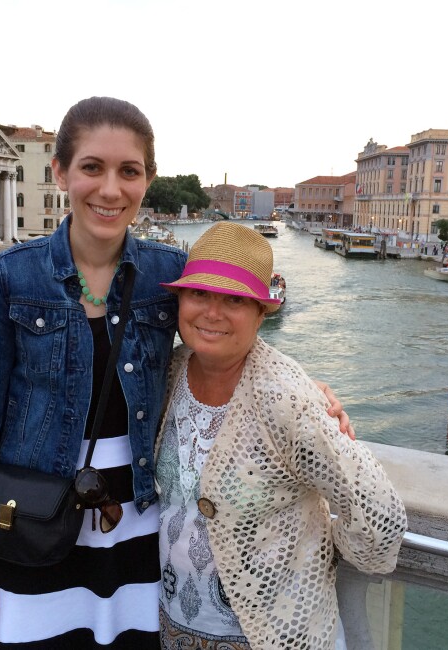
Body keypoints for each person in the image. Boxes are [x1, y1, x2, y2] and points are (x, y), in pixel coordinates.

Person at [0, 97, 351, 649]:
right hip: (33, 526)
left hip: (133, 528)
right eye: (92, 168)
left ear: (147, 181)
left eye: (129, 171)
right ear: (61, 172)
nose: (110, 190)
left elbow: (226, 343)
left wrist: (307, 391)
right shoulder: (9, 278)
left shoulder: (166, 273)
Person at [155, 222, 406, 649]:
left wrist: (318, 551)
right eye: (199, 294)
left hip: (271, 637)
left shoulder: (287, 397)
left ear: (260, 313)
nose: (212, 313)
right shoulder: (168, 372)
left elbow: (380, 518)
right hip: (175, 628)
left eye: (234, 299)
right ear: (180, 300)